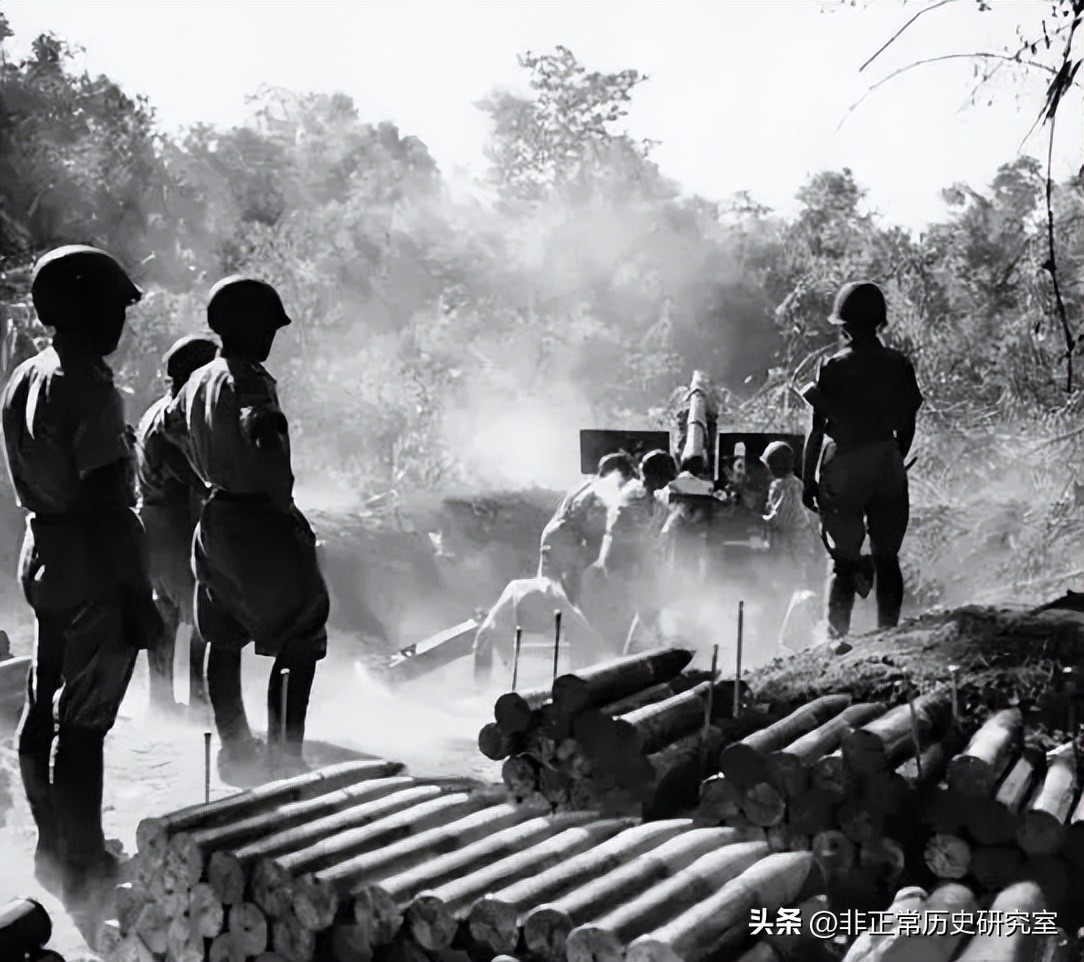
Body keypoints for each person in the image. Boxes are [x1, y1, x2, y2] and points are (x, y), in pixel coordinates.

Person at [0, 246, 163, 923]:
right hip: (94, 562)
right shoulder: (89, 388)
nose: (121, 321)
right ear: (86, 311)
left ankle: (48, 846)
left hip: (45, 554)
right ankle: (86, 857)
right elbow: (105, 503)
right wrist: (137, 597)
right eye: (114, 307)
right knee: (85, 722)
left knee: (43, 704)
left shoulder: (23, 377)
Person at [164, 276, 330, 784]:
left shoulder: (197, 380)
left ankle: (234, 747)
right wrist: (265, 442)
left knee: (223, 632)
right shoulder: (249, 379)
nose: (271, 338)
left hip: (215, 519)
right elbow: (260, 423)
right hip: (259, 524)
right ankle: (284, 756)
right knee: (301, 632)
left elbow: (172, 428)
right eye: (267, 328)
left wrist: (209, 469)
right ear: (245, 327)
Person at [801, 281, 923, 637]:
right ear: (880, 322)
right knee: (887, 557)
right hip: (887, 460)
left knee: (844, 561)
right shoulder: (899, 364)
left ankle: (836, 640)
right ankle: (888, 633)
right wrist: (893, 458)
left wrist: (808, 482)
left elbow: (817, 431)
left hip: (846, 465)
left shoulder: (834, 367)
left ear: (845, 326)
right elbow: (909, 424)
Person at [135, 335, 219, 712]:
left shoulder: (156, 410)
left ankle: (162, 699)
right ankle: (198, 695)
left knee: (166, 610)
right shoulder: (178, 417)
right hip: (172, 524)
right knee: (201, 611)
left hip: (152, 522)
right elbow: (194, 478)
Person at [472, 546, 607, 686]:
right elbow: (588, 636)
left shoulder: (539, 589)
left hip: (498, 633)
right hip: (501, 635)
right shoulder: (549, 590)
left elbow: (586, 636)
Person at [538, 451, 636, 602]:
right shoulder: (607, 488)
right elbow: (594, 525)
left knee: (547, 592)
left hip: (554, 535)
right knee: (568, 597)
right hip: (568, 541)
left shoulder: (587, 485)